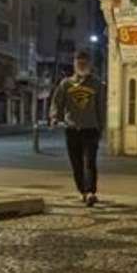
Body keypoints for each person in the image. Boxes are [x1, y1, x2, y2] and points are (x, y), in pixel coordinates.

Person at [50, 50, 105, 206]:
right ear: (74, 65)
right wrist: (54, 117)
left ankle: (91, 192)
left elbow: (101, 107)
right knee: (76, 163)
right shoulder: (66, 84)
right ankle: (83, 191)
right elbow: (57, 102)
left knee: (90, 162)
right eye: (79, 63)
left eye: (84, 63)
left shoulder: (97, 84)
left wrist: (101, 127)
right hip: (72, 129)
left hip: (90, 129)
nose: (82, 65)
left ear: (89, 64)